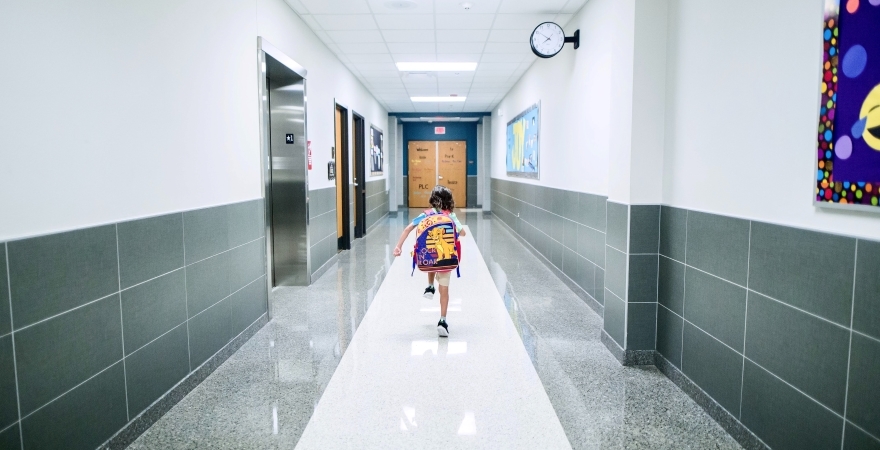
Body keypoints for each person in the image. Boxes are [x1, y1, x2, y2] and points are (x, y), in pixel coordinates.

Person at [393, 185, 466, 337]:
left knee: (430, 257)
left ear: (432, 200)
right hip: (446, 258)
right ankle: (443, 320)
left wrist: (398, 247)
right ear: (449, 201)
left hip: (429, 258)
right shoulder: (450, 215)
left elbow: (408, 229)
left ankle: (430, 286)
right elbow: (463, 233)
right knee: (444, 289)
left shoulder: (425, 214)